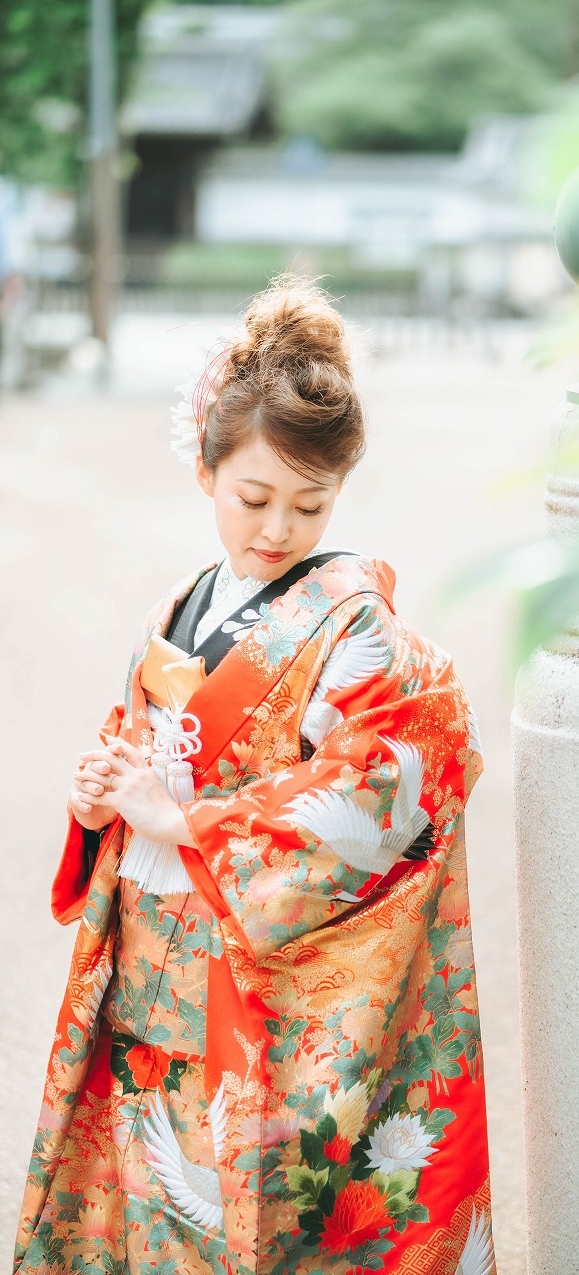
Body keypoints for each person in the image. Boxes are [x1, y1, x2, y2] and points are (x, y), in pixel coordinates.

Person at [14, 276, 494, 1275]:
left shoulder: (355, 625)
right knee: (152, 1204)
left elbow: (400, 773)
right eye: (254, 497)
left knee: (252, 1215)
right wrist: (102, 798)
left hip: (255, 979)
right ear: (206, 469)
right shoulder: (185, 600)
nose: (277, 528)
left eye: (308, 503)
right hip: (149, 961)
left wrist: (189, 819)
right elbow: (142, 744)